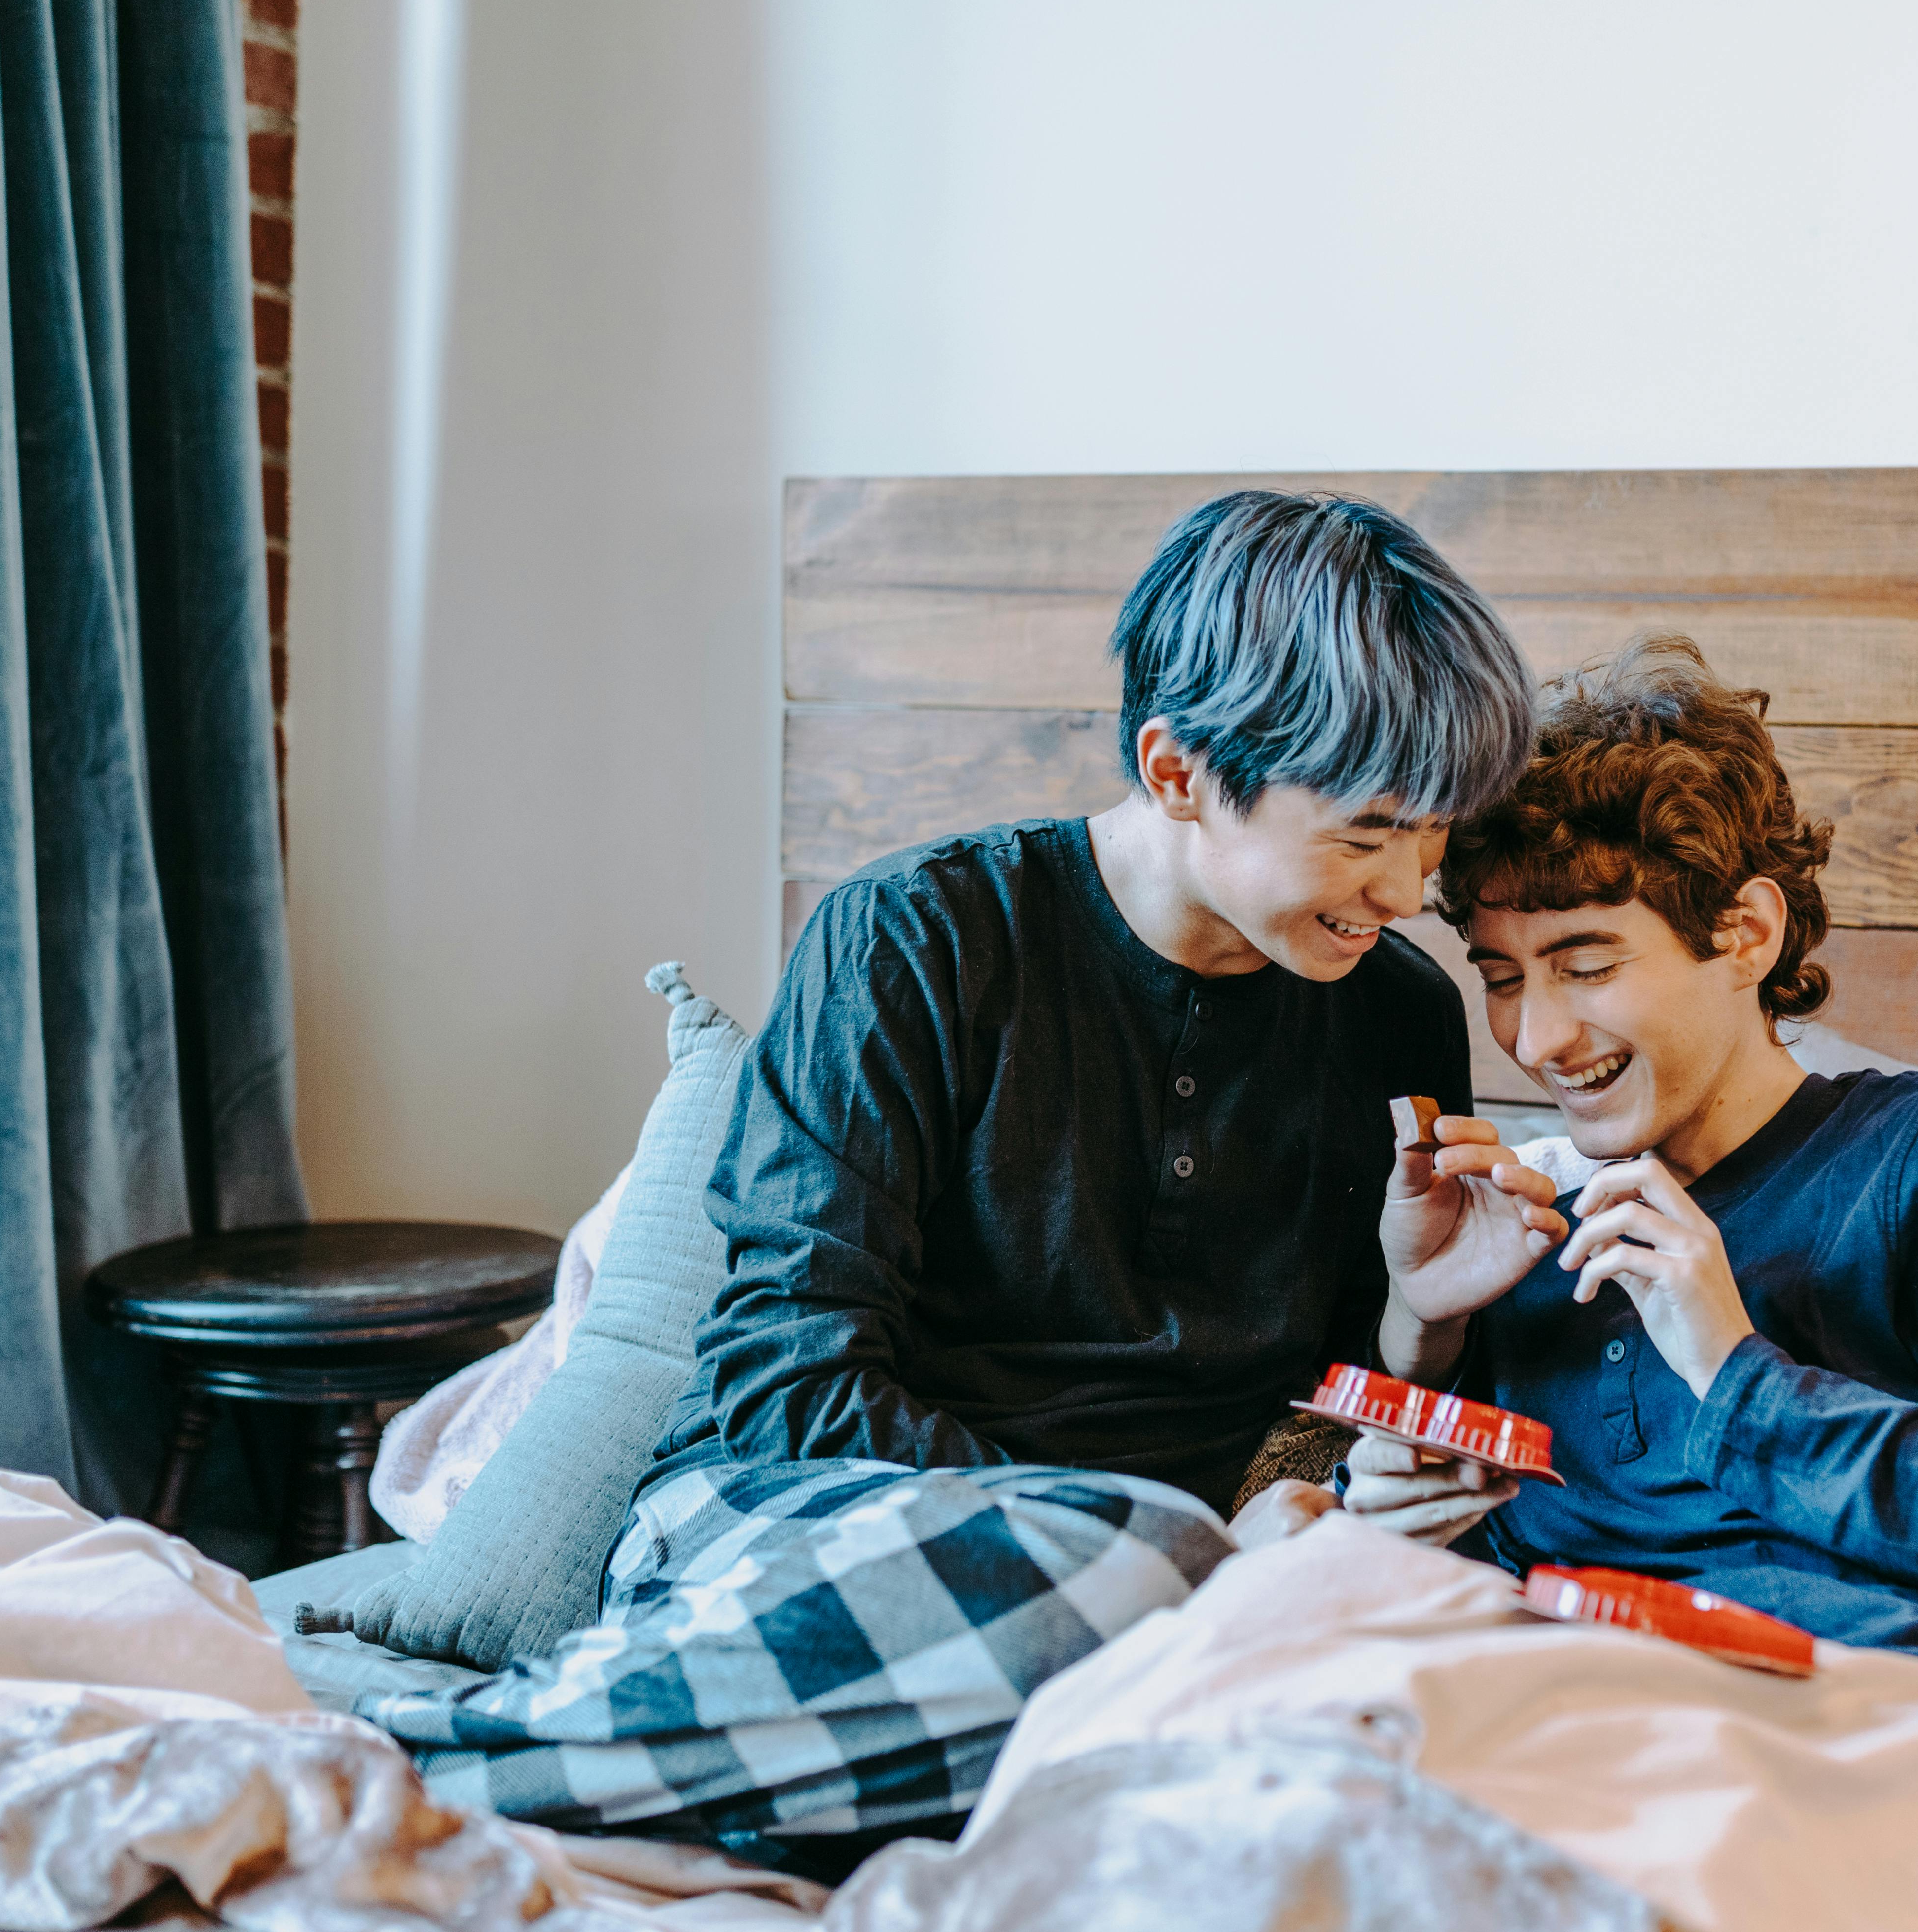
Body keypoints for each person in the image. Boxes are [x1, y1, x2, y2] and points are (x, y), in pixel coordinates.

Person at [365, 492, 1562, 1863]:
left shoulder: (1395, 1010)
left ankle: (1012, 1766)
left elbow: (1323, 1420)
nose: (1411, 890)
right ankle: (432, 1770)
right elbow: (785, 1397)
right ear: (1178, 772)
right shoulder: (915, 939)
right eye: (1367, 833)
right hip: (806, 1526)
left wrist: (1422, 1322)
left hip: (1181, 1586)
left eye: (1437, 837)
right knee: (1127, 1587)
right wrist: (1171, 1556)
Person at [1345, 636, 1918, 1680]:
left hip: (1873, 1726)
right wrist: (1425, 1334)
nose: (1534, 1041)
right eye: (1501, 976)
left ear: (1746, 932)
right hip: (1563, 1719)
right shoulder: (1526, 1232)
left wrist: (1736, 1375)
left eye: (1585, 964)